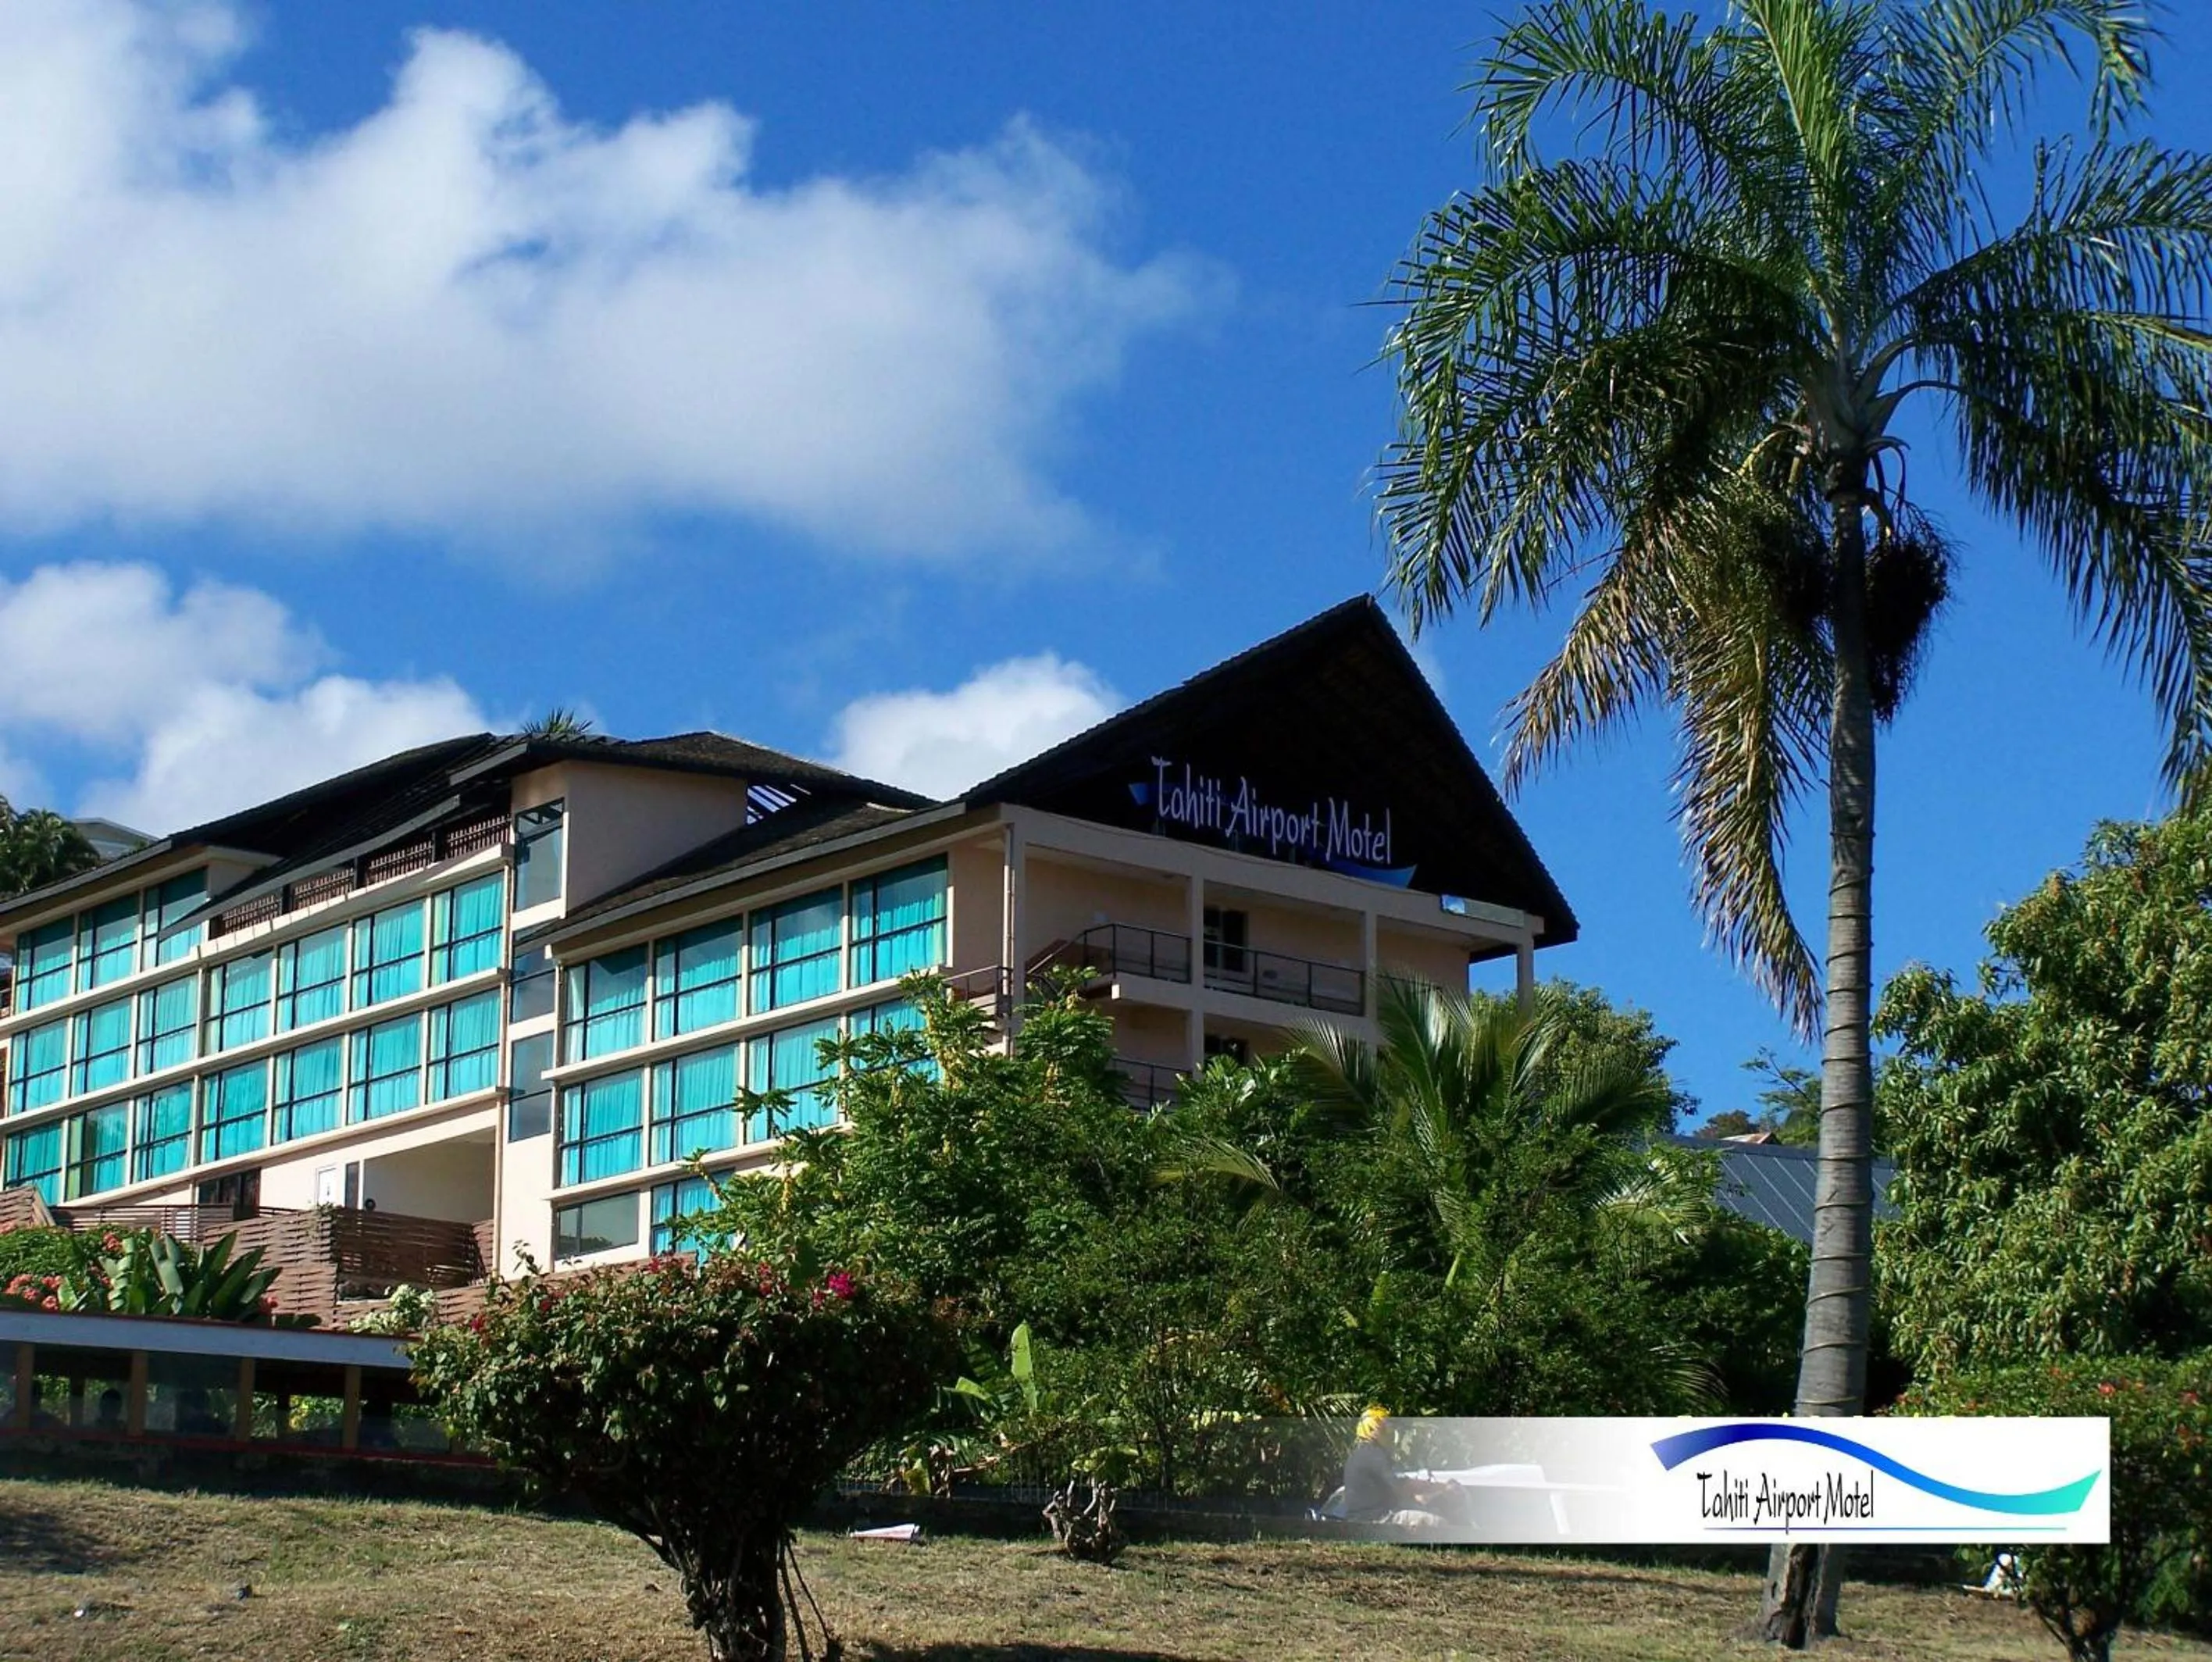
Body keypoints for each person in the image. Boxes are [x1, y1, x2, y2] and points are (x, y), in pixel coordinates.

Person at [1338, 1406, 1452, 1528]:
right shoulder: (1375, 1454)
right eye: (1387, 1426)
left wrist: (1418, 1499)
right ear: (1374, 1429)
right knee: (1440, 1523)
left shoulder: (1361, 1454)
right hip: (1379, 1519)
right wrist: (1443, 1487)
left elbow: (1389, 1490)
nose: (1392, 1431)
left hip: (1362, 1518)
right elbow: (1401, 1485)